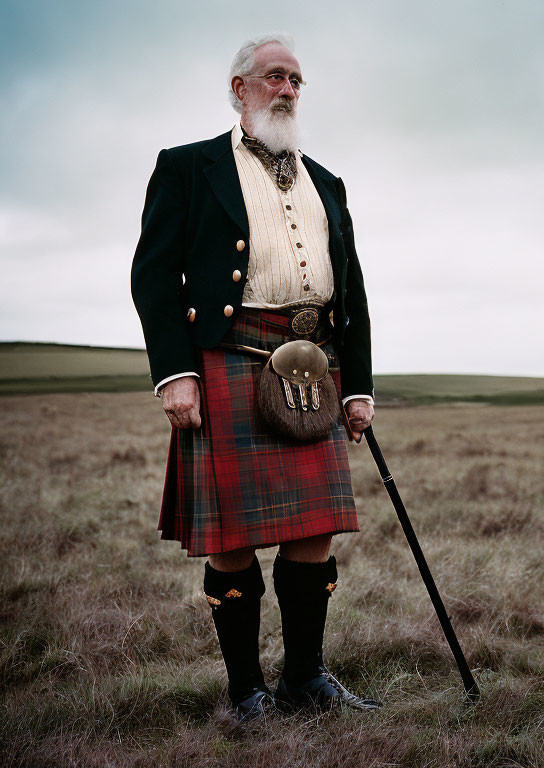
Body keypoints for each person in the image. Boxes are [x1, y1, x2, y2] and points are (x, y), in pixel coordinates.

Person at [131, 34, 380, 721]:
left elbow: (350, 289)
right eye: (275, 76)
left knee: (315, 531)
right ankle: (246, 694)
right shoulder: (188, 168)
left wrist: (355, 386)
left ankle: (305, 680)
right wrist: (176, 373)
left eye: (297, 80)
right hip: (229, 361)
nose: (289, 89)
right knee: (234, 540)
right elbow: (153, 274)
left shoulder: (326, 181)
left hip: (315, 367)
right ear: (239, 88)